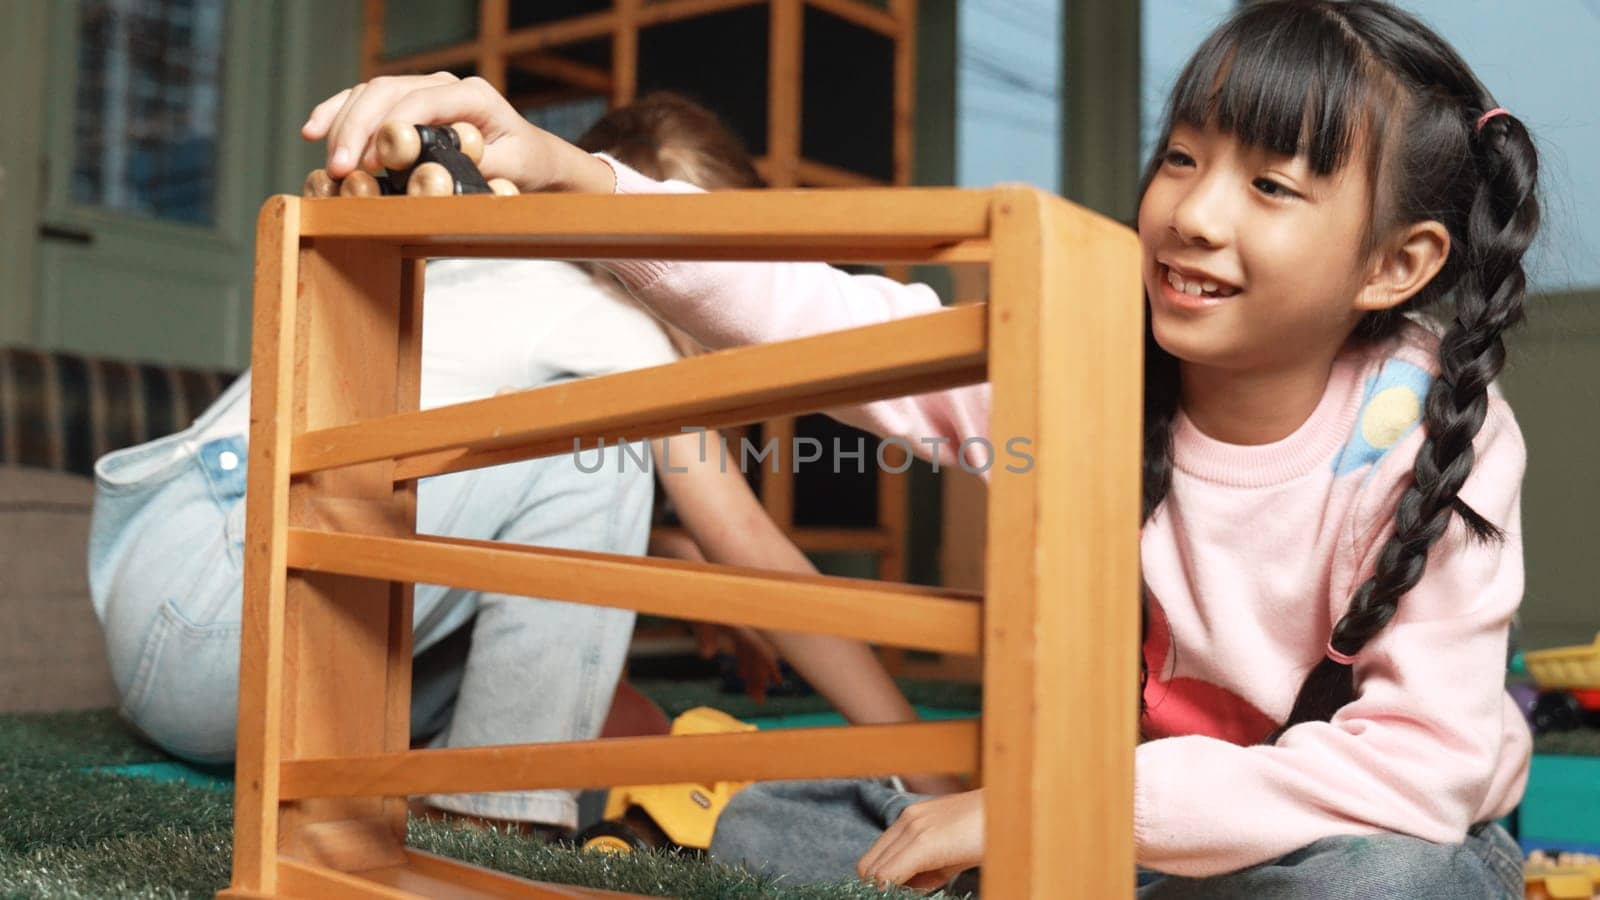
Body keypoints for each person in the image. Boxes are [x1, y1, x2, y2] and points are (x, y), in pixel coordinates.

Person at [302, 0, 1541, 894]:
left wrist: (1050, 811)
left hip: (1347, 834)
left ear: (1399, 264)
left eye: (1272, 188)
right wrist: (577, 177)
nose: (1195, 214)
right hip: (1113, 829)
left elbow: (1414, 772)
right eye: (1181, 158)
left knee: (1387, 885)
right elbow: (828, 317)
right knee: (779, 830)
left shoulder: (1431, 428)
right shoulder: (1094, 358)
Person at [88, 92, 948, 841]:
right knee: (602, 450)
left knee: (624, 722)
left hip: (179, 613)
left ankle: (472, 778)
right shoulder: (622, 332)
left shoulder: (489, 272)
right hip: (226, 626)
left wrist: (673, 561)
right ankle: (489, 814)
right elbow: (755, 551)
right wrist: (926, 767)